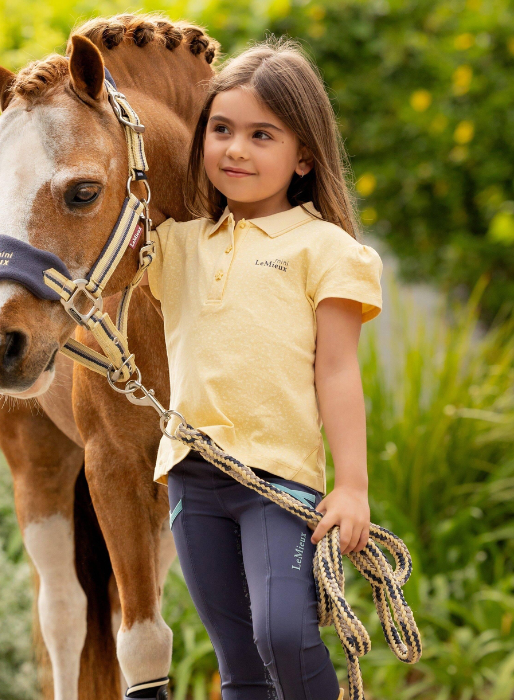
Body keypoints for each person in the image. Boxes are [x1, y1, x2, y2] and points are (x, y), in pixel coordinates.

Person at [140, 36, 383, 700]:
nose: (235, 149)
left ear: (304, 155)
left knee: (282, 632)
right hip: (193, 480)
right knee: (240, 662)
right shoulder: (175, 245)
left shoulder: (325, 249)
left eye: (261, 135)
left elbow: (337, 372)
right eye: (221, 129)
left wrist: (353, 487)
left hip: (278, 482)